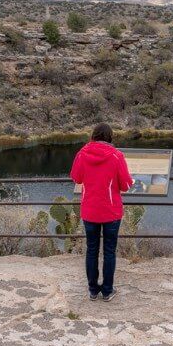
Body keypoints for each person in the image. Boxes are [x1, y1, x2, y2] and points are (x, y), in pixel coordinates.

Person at [70, 123, 133, 302]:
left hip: (89, 211)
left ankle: (92, 290)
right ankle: (107, 291)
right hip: (111, 212)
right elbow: (126, 185)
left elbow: (76, 178)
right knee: (109, 251)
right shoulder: (116, 156)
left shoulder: (82, 154)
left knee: (91, 250)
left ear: (94, 136)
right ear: (110, 137)